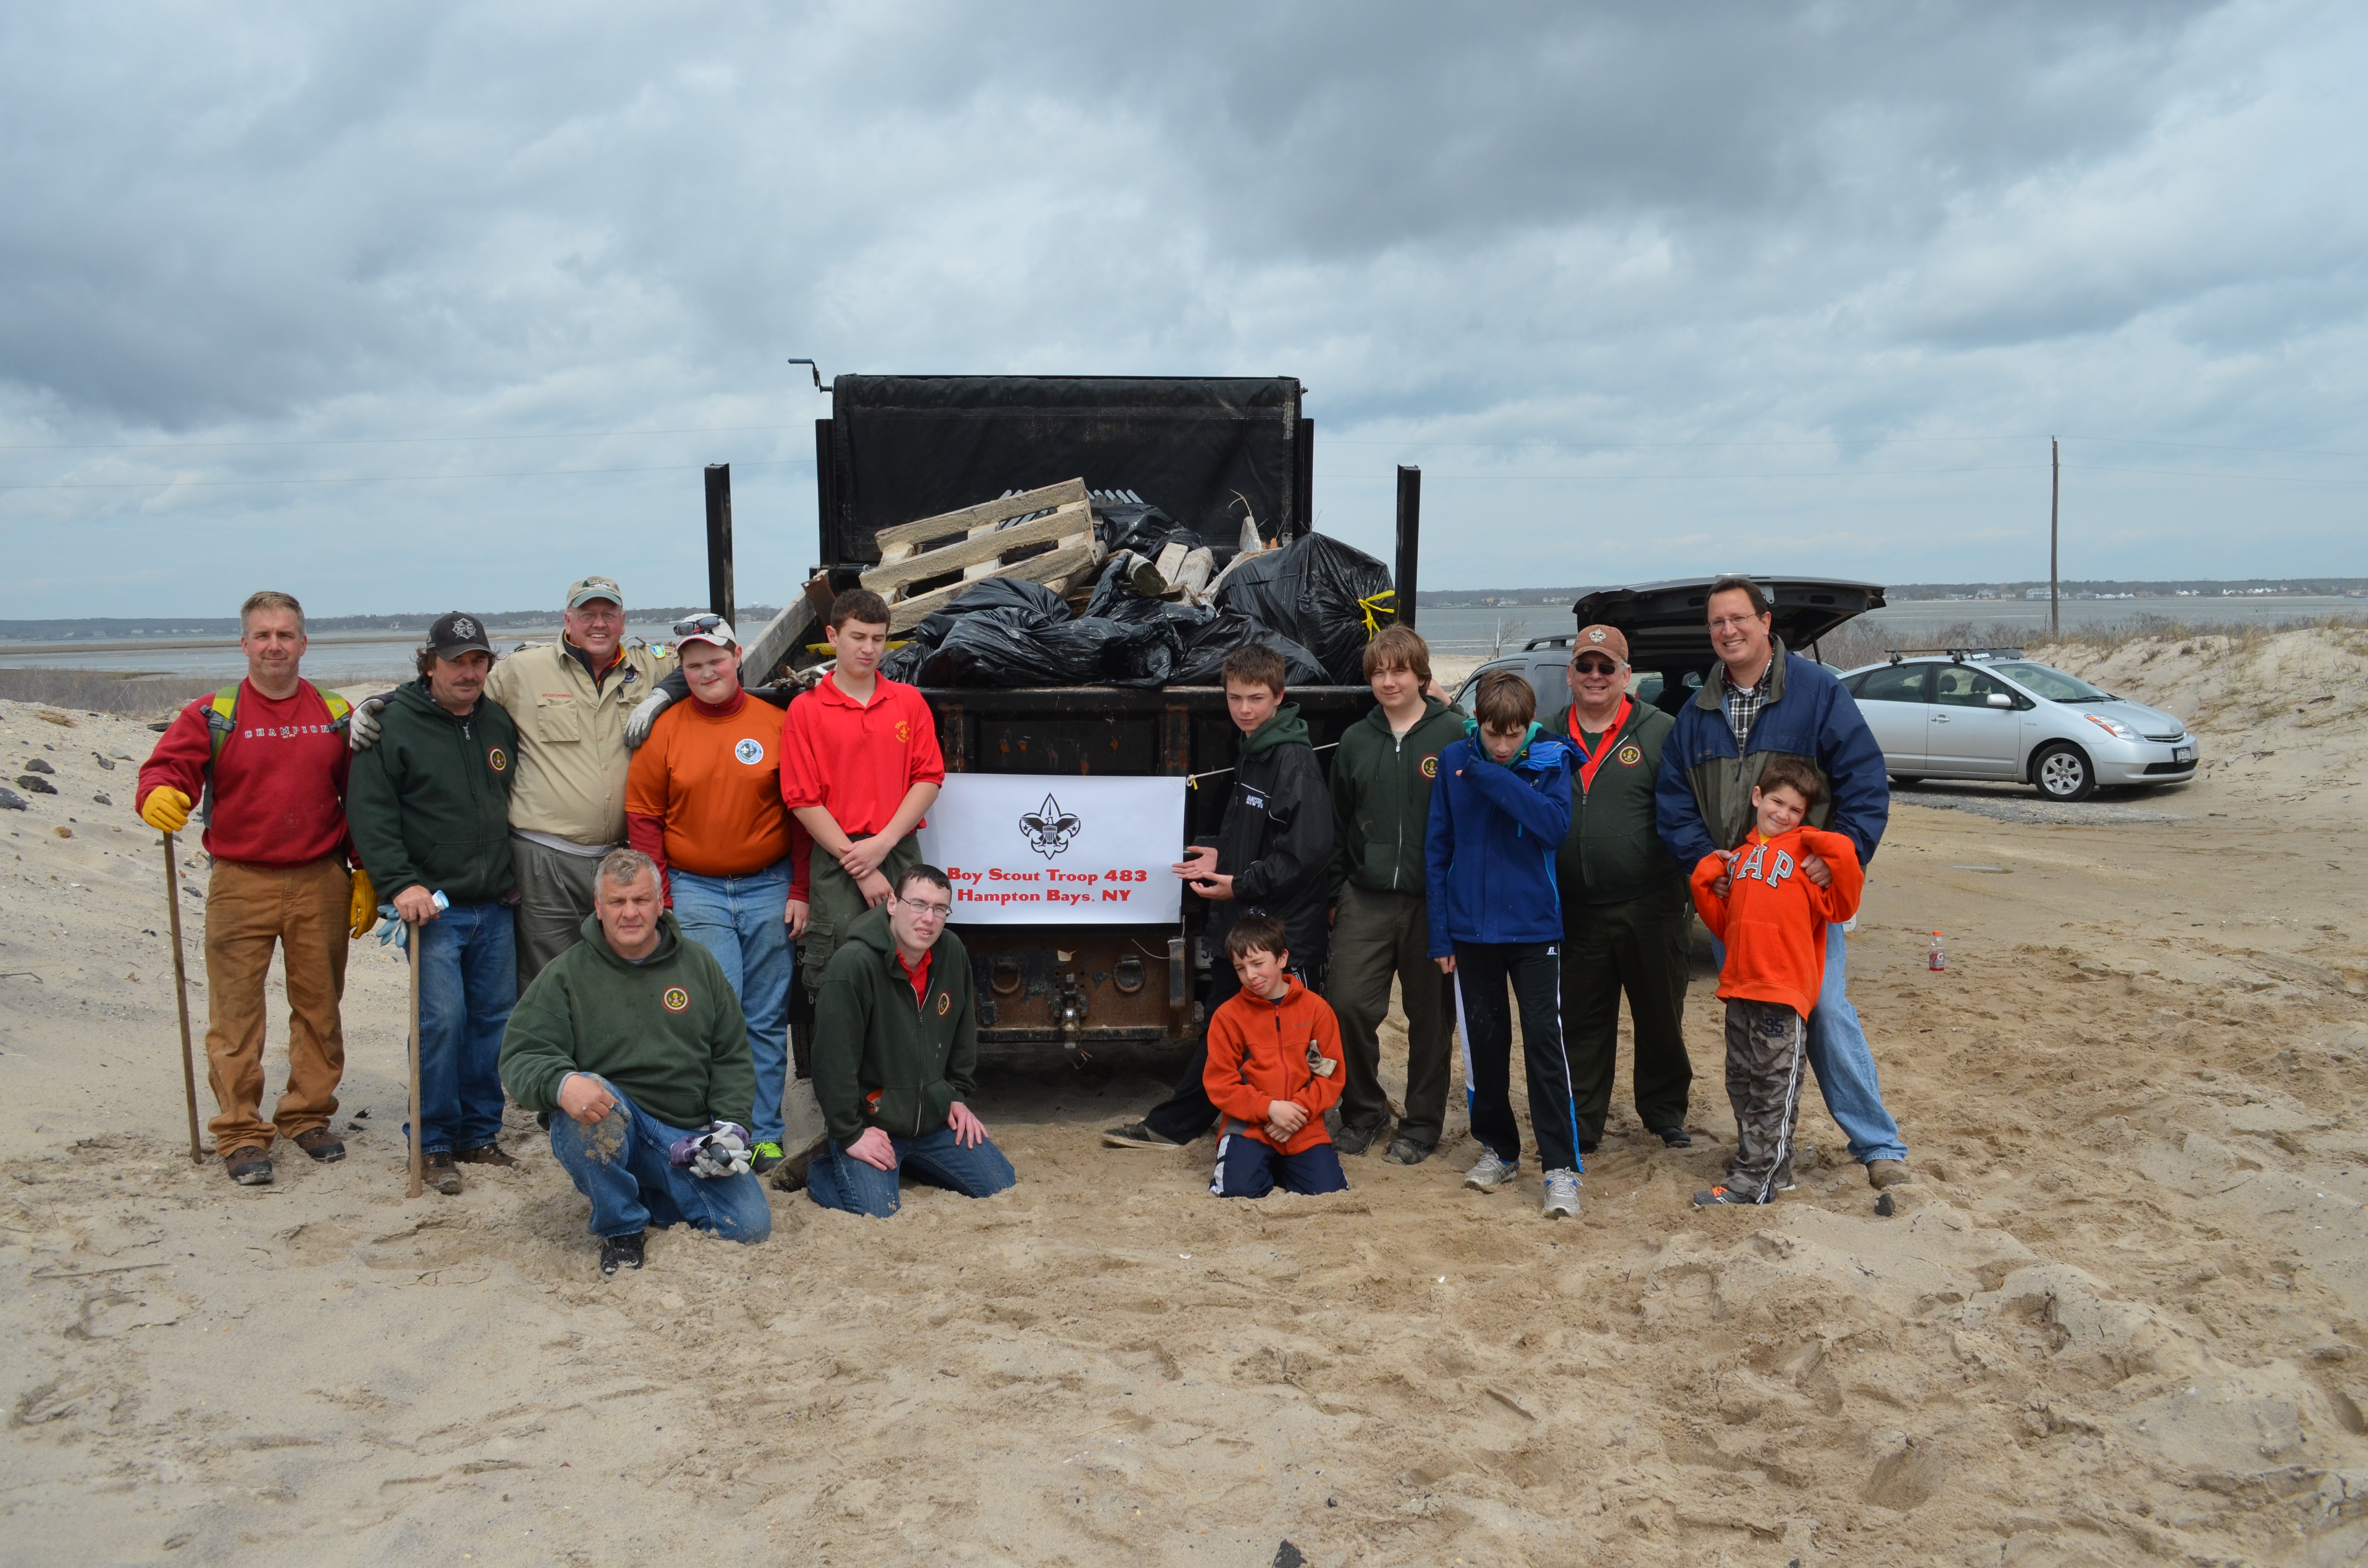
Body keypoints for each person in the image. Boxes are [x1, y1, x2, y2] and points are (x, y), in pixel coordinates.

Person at [1655, 573, 1912, 1189]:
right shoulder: (1696, 712)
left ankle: (1877, 1144)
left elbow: (1864, 783)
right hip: (1737, 904)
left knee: (1822, 1009)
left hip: (1802, 905)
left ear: (1765, 623)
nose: (1727, 631)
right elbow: (1674, 804)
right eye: (1717, 622)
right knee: (1750, 1033)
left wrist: (1840, 854)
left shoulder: (1817, 693)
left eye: (1738, 619)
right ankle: (1760, 1153)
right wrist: (1707, 866)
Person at [135, 590, 367, 1187]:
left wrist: (364, 870)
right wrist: (159, 794)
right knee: (236, 1015)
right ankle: (240, 1131)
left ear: (303, 643)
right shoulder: (213, 713)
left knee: (319, 1008)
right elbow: (167, 769)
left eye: (285, 635)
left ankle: (307, 1115)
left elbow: (362, 798)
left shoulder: (336, 712)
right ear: (243, 644)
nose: (273, 646)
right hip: (239, 882)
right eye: (262, 636)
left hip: (321, 878)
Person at [351, 575, 673, 989]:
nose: (599, 624)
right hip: (545, 858)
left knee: (617, 974)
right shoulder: (524, 669)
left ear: (623, 621)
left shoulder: (649, 665)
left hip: (619, 856)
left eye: (608, 614)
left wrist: (663, 695)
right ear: (568, 619)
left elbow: (711, 666)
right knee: (548, 979)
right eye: (587, 614)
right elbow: (451, 692)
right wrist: (383, 705)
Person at [1103, 641, 1334, 1151]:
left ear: (1278, 696)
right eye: (1234, 698)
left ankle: (1291, 1130)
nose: (1244, 709)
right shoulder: (1254, 749)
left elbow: (1308, 852)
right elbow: (1257, 833)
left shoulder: (1290, 760)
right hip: (1246, 922)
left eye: (1254, 698)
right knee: (1225, 1030)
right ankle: (1178, 1125)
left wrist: (1238, 883)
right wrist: (1218, 858)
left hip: (1279, 931)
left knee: (1290, 1038)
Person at [499, 849, 771, 1276]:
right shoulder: (565, 975)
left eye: (641, 900)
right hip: (614, 1118)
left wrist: (731, 1127)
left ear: (661, 902)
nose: (630, 913)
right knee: (585, 1093)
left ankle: (646, 1192)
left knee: (750, 1226)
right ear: (598, 907)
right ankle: (622, 1228)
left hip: (686, 1138)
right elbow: (520, 1056)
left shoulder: (699, 965)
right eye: (618, 902)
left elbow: (731, 1055)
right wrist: (560, 1083)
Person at [624, 616, 811, 1176]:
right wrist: (660, 896)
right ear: (682, 671)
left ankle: (766, 1136)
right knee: (716, 1014)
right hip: (695, 888)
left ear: (736, 657)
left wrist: (800, 889)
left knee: (765, 1016)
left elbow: (801, 815)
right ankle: (719, 1128)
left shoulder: (775, 723)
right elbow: (643, 818)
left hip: (768, 885)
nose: (707, 672)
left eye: (716, 659)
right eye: (694, 664)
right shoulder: (667, 730)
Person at [345, 612, 522, 1195]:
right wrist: (400, 884)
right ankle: (433, 1142)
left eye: (478, 662)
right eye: (455, 662)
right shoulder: (392, 725)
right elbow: (371, 812)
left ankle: (478, 1133)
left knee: (490, 1026)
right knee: (441, 1023)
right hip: (432, 910)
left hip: (495, 904)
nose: (468, 673)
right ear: (429, 665)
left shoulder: (497, 721)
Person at [1426, 669, 1583, 1218]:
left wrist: (1495, 778)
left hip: (1535, 929)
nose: (1500, 746)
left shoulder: (1552, 759)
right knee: (1486, 1046)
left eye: (1511, 735)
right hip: (1471, 931)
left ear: (1528, 726)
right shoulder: (1452, 760)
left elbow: (1553, 829)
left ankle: (1560, 1168)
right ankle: (1499, 1149)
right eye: (1491, 734)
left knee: (1544, 1045)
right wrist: (1441, 933)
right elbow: (1437, 847)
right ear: (1477, 724)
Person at [1687, 759, 1864, 1206]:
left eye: (1796, 810)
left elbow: (1845, 891)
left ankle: (1756, 1181)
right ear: (1757, 798)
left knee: (1774, 1086)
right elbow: (1720, 922)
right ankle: (1769, 1168)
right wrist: (1709, 874)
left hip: (1783, 996)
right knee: (1741, 1081)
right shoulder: (1742, 858)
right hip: (1741, 988)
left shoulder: (1810, 861)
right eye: (1777, 803)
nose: (1783, 815)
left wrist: (1811, 840)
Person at [804, 864, 1017, 1217]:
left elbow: (964, 1032)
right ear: (892, 903)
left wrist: (956, 1096)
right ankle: (824, 1164)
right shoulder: (852, 966)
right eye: (918, 905)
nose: (928, 919)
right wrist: (850, 1133)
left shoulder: (951, 952)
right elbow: (831, 1061)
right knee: (876, 1211)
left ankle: (909, 1162)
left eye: (939, 909)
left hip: (932, 1120)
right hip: (873, 1123)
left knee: (999, 1184)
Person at [1324, 625, 1463, 1164]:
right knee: (1346, 1006)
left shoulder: (1453, 734)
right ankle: (1364, 1110)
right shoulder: (1357, 741)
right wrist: (1337, 891)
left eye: (1398, 671)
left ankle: (1422, 1124)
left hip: (1435, 899)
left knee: (1431, 1018)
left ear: (1420, 676)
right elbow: (1339, 820)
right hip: (1367, 894)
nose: (1388, 681)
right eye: (1378, 672)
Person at [1555, 625, 1695, 1155]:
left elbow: (1688, 810)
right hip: (1575, 909)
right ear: (1570, 674)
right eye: (1585, 666)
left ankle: (1664, 1114)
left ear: (1625, 675)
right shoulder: (1545, 734)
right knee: (1583, 1023)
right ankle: (1583, 1122)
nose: (1595, 676)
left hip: (1651, 902)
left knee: (1660, 1015)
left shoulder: (1660, 730)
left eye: (1605, 667)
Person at [780, 588, 945, 1000]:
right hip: (838, 858)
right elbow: (802, 798)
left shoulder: (908, 701)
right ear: (833, 637)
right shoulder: (807, 709)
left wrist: (884, 844)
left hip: (898, 849)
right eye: (858, 637)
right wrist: (862, 866)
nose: (869, 649)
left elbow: (928, 778)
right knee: (840, 970)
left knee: (908, 961)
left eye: (878, 638)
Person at [1204, 915, 1350, 1199]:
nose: (1251, 976)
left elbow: (1329, 1074)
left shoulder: (1317, 1010)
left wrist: (1297, 1114)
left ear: (1282, 958)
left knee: (1328, 1193)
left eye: (1258, 964)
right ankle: (1260, 1164)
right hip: (1249, 1126)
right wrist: (1270, 1109)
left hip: (1301, 1122)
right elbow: (1220, 1083)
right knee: (1237, 1192)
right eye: (1241, 968)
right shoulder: (1227, 1016)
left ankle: (1280, 1166)